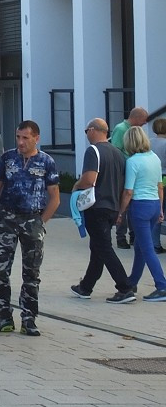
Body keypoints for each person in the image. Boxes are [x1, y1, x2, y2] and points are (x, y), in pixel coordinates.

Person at [0, 120, 60, 337]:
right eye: (18, 137)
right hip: (6, 218)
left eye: (25, 138)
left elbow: (55, 198)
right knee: (0, 270)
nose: (21, 142)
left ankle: (29, 318)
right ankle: (3, 316)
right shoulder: (8, 158)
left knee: (31, 273)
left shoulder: (46, 162)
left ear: (36, 138)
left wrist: (41, 222)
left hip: (32, 219)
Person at [70, 118, 132, 302]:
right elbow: (123, 185)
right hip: (112, 206)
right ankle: (85, 287)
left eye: (86, 131)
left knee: (104, 248)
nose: (86, 135)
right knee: (97, 247)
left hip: (96, 207)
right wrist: (120, 211)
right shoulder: (118, 153)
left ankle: (125, 287)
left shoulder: (93, 150)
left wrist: (76, 186)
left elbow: (89, 179)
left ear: (93, 130)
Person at [118, 126, 166, 301]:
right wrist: (160, 209)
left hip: (140, 207)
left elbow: (128, 191)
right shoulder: (154, 157)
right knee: (140, 247)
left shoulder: (133, 161)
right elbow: (160, 186)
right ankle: (132, 281)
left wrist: (121, 212)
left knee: (146, 249)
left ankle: (162, 286)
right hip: (154, 204)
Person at [112, 107, 150, 249]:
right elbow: (116, 151)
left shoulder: (135, 130)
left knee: (132, 202)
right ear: (136, 118)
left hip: (133, 169)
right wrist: (131, 159)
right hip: (124, 171)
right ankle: (121, 237)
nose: (145, 123)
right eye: (143, 120)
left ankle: (134, 234)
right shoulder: (121, 129)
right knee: (124, 204)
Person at [150, 118, 166, 254]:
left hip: (152, 178)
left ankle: (154, 243)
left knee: (157, 210)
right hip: (165, 177)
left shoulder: (148, 142)